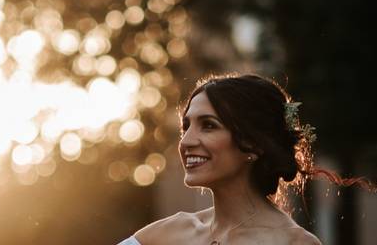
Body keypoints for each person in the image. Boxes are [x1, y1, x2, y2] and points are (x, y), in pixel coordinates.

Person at [119, 74, 329, 245]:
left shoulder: (294, 242)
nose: (186, 142)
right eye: (186, 127)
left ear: (254, 144)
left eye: (209, 125)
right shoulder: (164, 236)